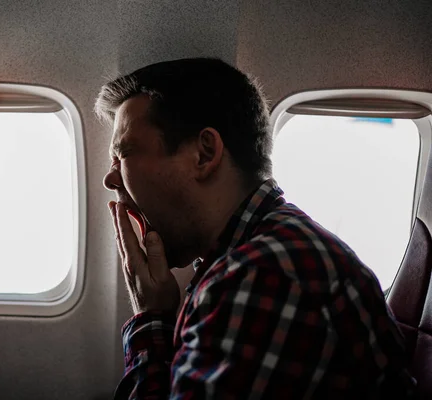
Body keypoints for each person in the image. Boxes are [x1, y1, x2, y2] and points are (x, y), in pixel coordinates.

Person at [95, 57, 416, 399]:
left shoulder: (262, 279)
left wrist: (149, 320)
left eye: (124, 154)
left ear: (204, 154)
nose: (110, 178)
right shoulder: (258, 254)